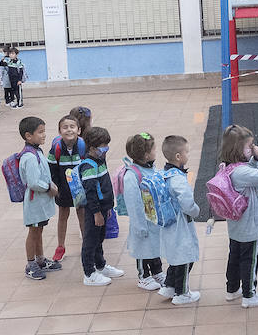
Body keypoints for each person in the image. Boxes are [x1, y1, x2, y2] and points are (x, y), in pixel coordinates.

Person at [219, 124, 258, 307]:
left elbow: (248, 168)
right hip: (250, 226)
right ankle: (249, 295)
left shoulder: (228, 167)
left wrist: (252, 157)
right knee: (250, 259)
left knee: (234, 256)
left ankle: (232, 289)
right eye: (248, 147)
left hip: (236, 225)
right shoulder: (242, 172)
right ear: (237, 149)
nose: (252, 149)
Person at [78, 126, 123, 286]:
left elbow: (104, 186)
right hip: (94, 210)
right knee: (90, 240)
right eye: (103, 146)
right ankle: (89, 273)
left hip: (104, 208)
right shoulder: (89, 166)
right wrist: (96, 212)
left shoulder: (100, 160)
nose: (106, 149)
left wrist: (108, 208)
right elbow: (90, 192)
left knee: (99, 238)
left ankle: (101, 265)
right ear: (92, 148)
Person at [159, 135, 201, 305]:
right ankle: (182, 293)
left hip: (168, 221)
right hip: (180, 222)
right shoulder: (177, 178)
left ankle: (170, 285)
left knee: (175, 254)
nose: (188, 155)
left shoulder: (164, 173)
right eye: (187, 152)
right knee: (185, 256)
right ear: (178, 157)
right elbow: (187, 202)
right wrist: (196, 211)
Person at [121, 132, 165, 291]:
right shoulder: (132, 176)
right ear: (146, 155)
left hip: (154, 218)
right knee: (143, 248)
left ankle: (157, 271)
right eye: (154, 148)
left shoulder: (151, 168)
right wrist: (139, 225)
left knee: (154, 246)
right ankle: (143, 276)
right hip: (142, 221)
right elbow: (133, 203)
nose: (156, 151)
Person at [17, 116, 57, 281]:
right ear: (28, 136)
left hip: (40, 201)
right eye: (40, 132)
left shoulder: (37, 151)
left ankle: (40, 259)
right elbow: (33, 182)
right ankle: (30, 263)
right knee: (33, 232)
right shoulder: (29, 157)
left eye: (44, 131)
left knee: (39, 229)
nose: (44, 135)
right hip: (34, 202)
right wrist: (49, 187)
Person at [50, 115, 87, 262]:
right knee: (62, 217)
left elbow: (87, 168)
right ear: (59, 131)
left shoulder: (83, 147)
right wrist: (56, 188)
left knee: (82, 216)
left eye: (72, 127)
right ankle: (60, 246)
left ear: (78, 130)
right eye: (65, 127)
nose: (69, 130)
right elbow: (51, 170)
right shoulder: (56, 148)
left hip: (80, 190)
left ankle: (86, 245)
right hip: (63, 190)